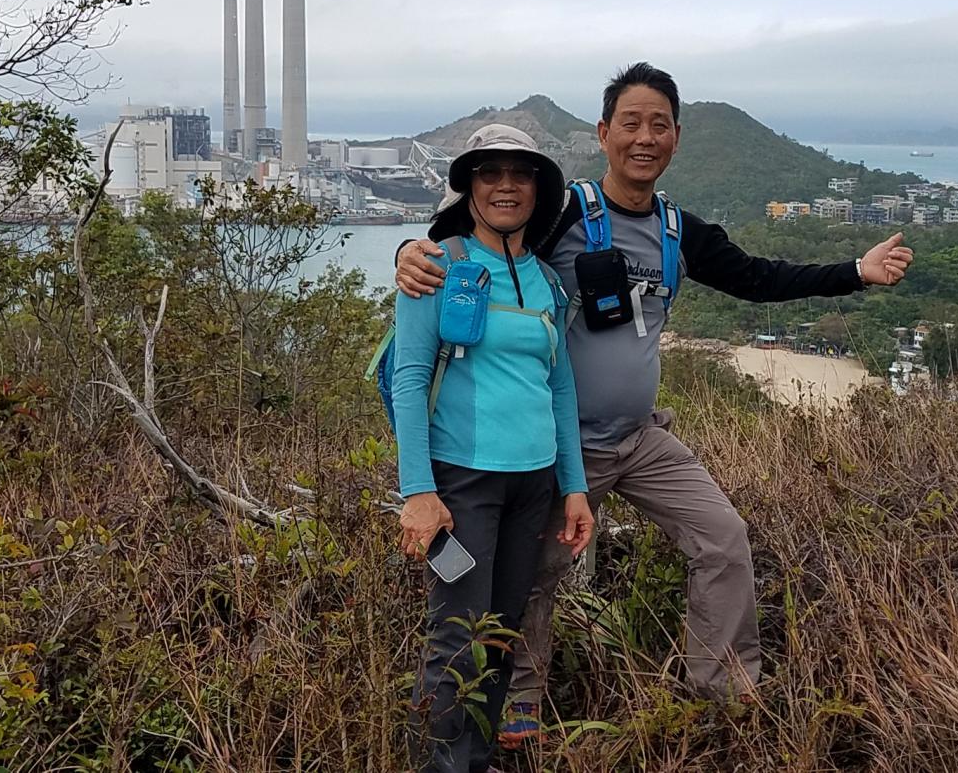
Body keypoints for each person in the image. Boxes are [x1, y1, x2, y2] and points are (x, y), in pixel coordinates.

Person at [395, 63, 914, 745]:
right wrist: (409, 250)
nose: (645, 138)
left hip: (640, 437)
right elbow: (478, 232)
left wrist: (854, 273)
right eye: (631, 124)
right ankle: (519, 703)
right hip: (562, 442)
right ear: (603, 134)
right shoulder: (562, 213)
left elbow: (757, 278)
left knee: (722, 538)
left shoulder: (678, 230)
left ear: (676, 137)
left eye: (659, 125)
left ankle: (724, 694)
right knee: (537, 571)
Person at [392, 123, 596, 772]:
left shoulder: (548, 283)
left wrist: (574, 487)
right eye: (489, 172)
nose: (506, 185)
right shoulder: (437, 267)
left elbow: (559, 387)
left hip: (533, 487)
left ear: (538, 188)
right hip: (463, 487)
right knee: (456, 642)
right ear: (470, 187)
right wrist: (418, 490)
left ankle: (475, 760)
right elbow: (409, 377)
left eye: (520, 173)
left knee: (501, 638)